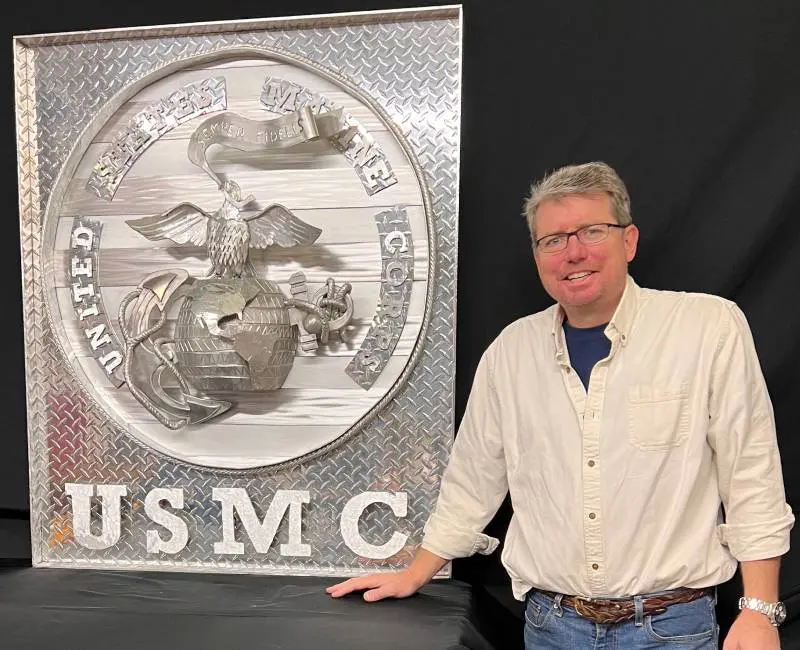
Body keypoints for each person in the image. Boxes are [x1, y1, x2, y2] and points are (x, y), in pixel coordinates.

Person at [327, 161, 794, 649]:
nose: (573, 253)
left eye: (592, 231)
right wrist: (416, 572)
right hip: (552, 627)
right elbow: (473, 478)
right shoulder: (510, 352)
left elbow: (751, 474)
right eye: (553, 240)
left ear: (629, 241)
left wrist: (759, 611)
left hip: (671, 628)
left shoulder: (706, 328)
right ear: (537, 255)